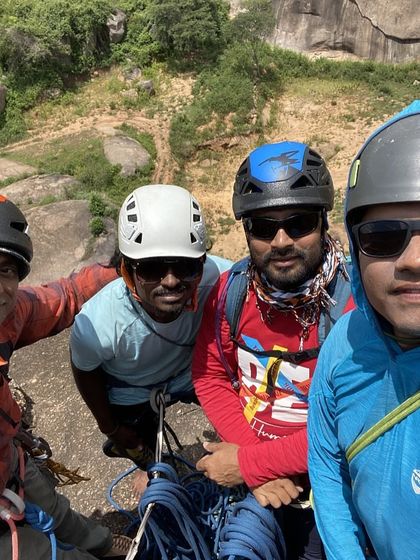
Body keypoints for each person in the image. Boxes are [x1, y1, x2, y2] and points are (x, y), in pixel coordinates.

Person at [191, 141, 354, 560]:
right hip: (259, 467)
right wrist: (256, 462)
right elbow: (210, 374)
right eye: (263, 228)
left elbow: (348, 427)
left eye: (298, 222)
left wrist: (247, 466)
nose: (281, 241)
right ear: (246, 232)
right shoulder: (232, 291)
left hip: (329, 481)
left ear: (323, 221)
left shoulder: (354, 307)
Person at [308, 101, 420, 560]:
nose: (414, 261)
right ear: (356, 249)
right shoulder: (346, 341)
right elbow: (327, 468)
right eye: (383, 236)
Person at [0, 194, 128, 558]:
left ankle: (102, 543)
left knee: (54, 508)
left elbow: (65, 297)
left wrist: (122, 268)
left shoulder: (8, 316)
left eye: (5, 269)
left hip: (10, 459)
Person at [70, 184, 231, 473]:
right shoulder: (98, 324)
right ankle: (146, 462)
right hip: (132, 391)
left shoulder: (219, 279)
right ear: (127, 269)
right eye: (152, 268)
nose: (170, 281)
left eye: (185, 266)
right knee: (136, 442)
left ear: (201, 264)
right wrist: (111, 427)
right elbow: (85, 370)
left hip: (191, 374)